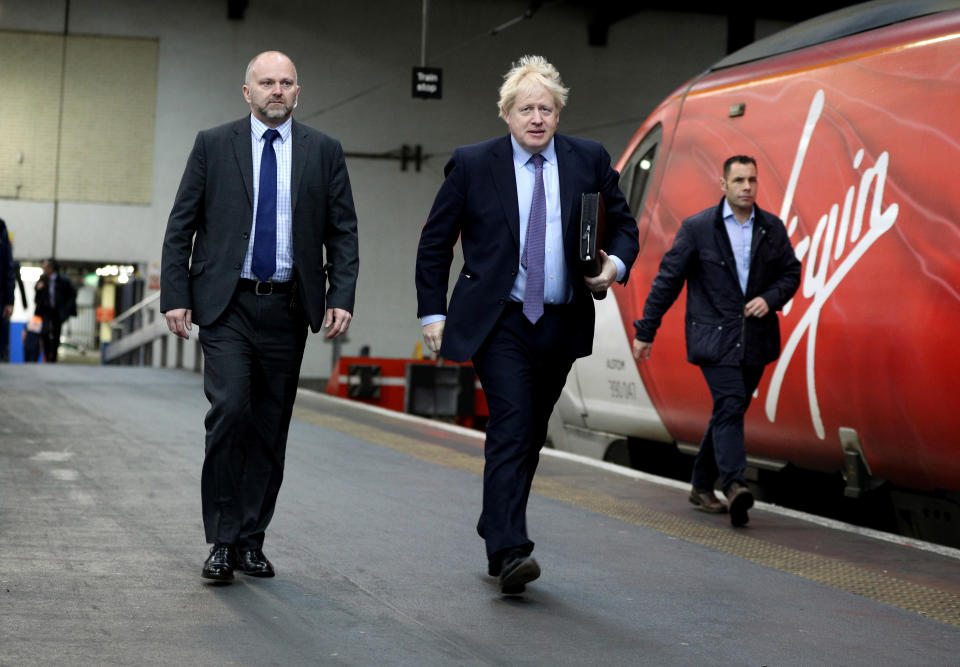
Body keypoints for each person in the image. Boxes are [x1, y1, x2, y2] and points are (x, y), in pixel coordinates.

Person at [415, 55, 639, 594]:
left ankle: (496, 525)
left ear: (558, 114)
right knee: (513, 423)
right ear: (507, 115)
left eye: (546, 108)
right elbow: (435, 242)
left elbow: (625, 225)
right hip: (501, 321)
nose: (536, 118)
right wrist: (433, 312)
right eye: (525, 109)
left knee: (531, 432)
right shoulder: (473, 164)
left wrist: (613, 267)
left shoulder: (589, 159)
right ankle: (511, 547)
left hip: (560, 319)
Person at [161, 51, 359, 582]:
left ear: (299, 92)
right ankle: (222, 541)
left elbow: (343, 231)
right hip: (227, 305)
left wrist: (341, 293)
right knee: (229, 411)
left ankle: (251, 539)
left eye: (286, 82)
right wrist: (176, 293)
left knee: (270, 428)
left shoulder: (324, 151)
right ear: (245, 92)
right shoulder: (213, 145)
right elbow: (182, 223)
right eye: (266, 82)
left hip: (289, 308)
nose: (277, 89)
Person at [632, 156, 801, 527]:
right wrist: (646, 330)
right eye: (739, 180)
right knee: (730, 401)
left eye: (752, 180)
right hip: (713, 337)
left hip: (755, 339)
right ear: (722, 185)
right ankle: (736, 483)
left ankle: (700, 485)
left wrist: (770, 298)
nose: (746, 187)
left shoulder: (771, 228)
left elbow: (791, 272)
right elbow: (668, 281)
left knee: (730, 409)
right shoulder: (697, 228)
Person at [34, 258, 78, 363]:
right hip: (46, 310)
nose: (43, 267)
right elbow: (37, 294)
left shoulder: (62, 280)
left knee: (56, 333)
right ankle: (47, 355)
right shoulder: (43, 279)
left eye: (45, 266)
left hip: (58, 311)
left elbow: (72, 293)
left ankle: (53, 357)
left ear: (51, 268)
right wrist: (38, 288)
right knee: (44, 332)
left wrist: (66, 308)